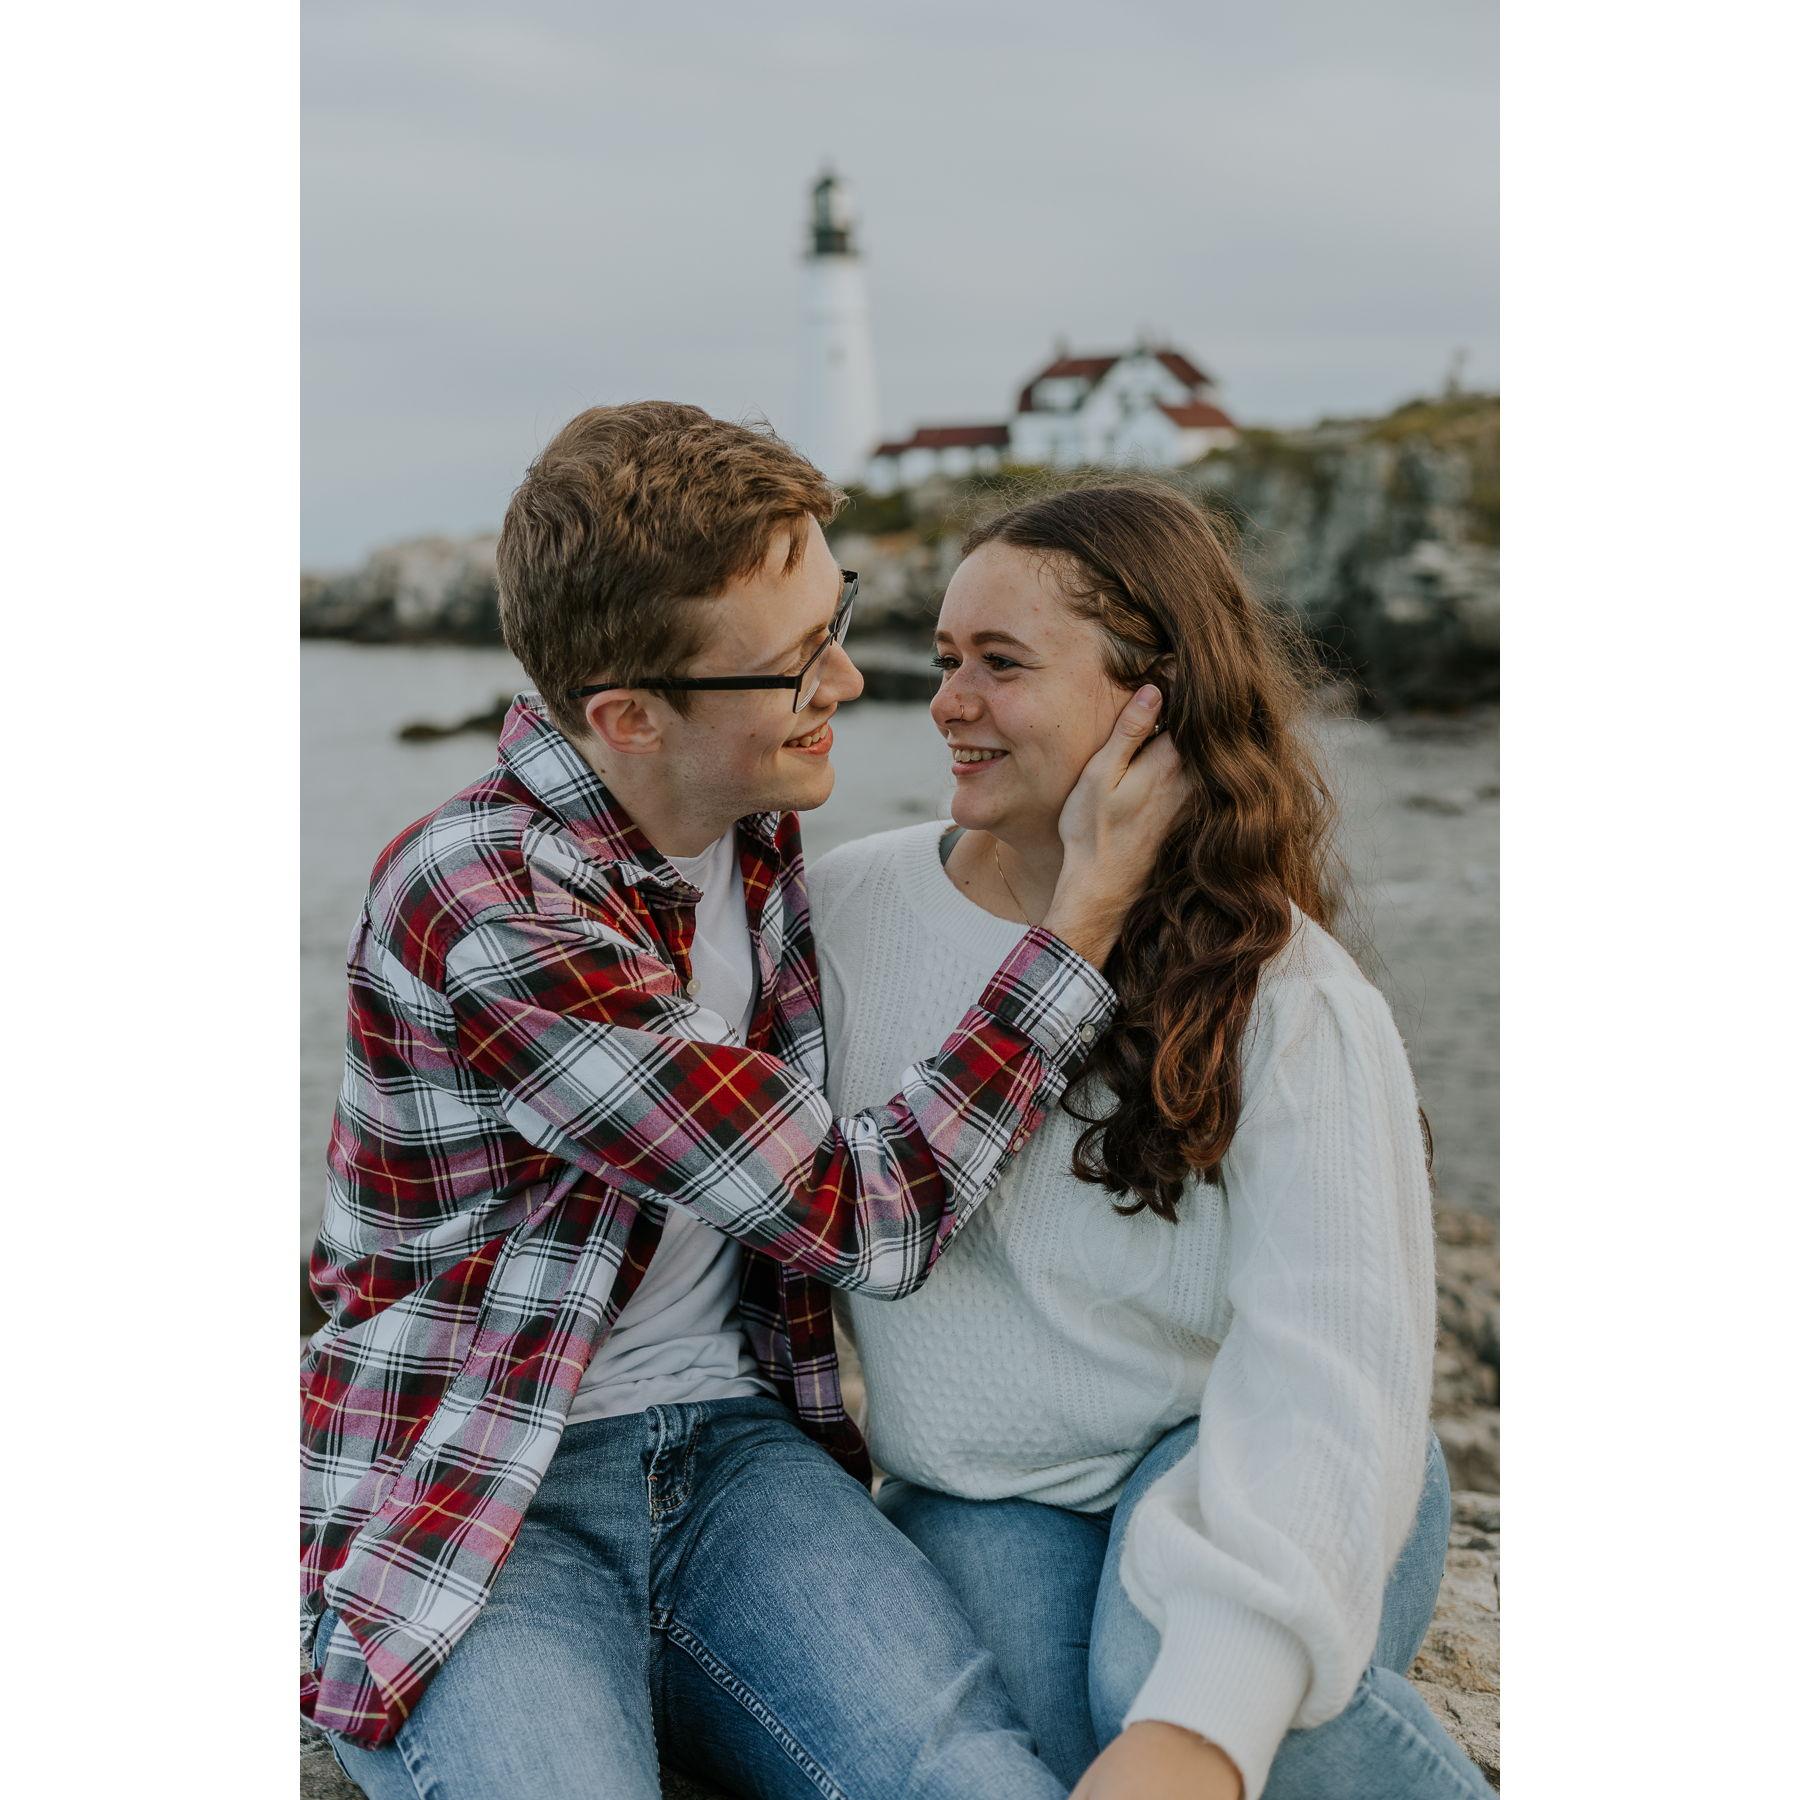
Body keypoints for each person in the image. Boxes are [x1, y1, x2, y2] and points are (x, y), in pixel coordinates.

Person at [300, 405, 1187, 1799]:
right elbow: (863, 1215)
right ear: (629, 717)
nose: (847, 677)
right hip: (485, 1489)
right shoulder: (487, 904)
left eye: (839, 613)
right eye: (792, 665)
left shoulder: (748, 824)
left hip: (732, 1452)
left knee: (972, 1778)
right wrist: (1076, 931)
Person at [808, 479, 1494, 1800]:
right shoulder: (843, 916)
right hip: (987, 1498)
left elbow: (1326, 1367)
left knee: (1186, 1706)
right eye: (947, 659)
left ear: (1150, 705)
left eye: (1001, 666)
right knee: (1064, 1762)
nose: (947, 701)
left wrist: (1203, 1718)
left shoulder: (1291, 995)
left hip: (1251, 1445)